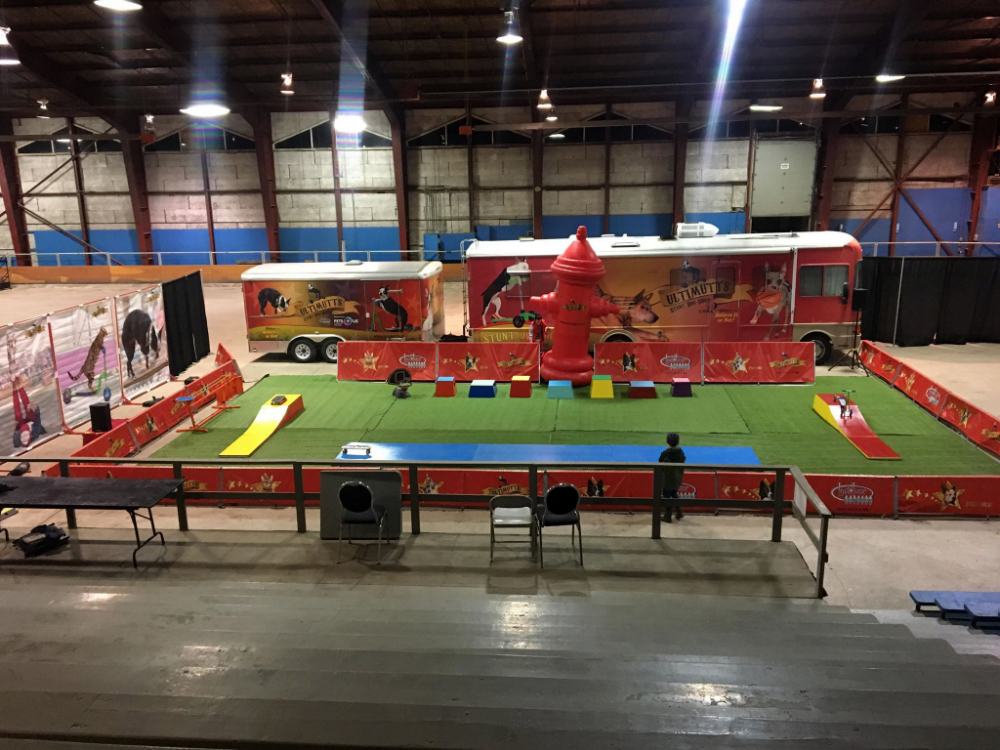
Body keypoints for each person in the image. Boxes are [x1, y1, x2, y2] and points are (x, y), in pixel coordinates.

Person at [658, 432, 685, 522]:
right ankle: (679, 512)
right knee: (674, 493)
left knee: (667, 497)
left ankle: (667, 516)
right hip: (677, 479)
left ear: (667, 441)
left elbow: (660, 463)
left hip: (667, 480)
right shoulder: (681, 452)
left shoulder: (665, 453)